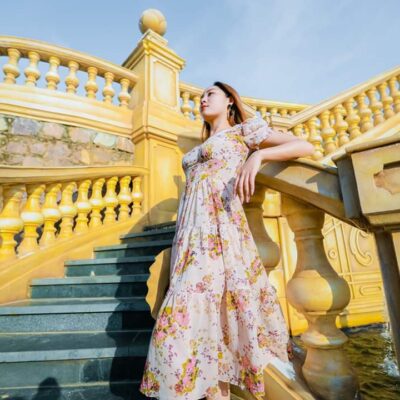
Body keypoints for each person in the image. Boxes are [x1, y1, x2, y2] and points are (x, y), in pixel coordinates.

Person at [139, 81, 315, 400]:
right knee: (191, 315)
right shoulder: (203, 144)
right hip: (190, 236)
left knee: (210, 313)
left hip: (221, 232)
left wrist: (258, 157)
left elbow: (303, 146)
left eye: (211, 94)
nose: (203, 99)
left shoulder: (243, 133)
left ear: (230, 101)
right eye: (201, 96)